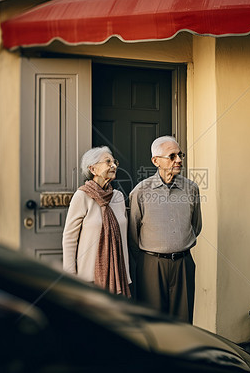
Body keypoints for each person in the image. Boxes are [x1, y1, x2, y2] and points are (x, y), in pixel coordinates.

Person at [129, 136, 202, 322]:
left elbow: (196, 225)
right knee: (153, 324)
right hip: (151, 266)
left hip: (184, 264)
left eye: (180, 155)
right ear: (156, 161)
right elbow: (132, 235)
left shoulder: (191, 189)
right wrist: (150, 260)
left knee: (184, 323)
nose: (178, 160)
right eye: (172, 156)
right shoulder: (141, 191)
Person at [62, 146, 131, 297]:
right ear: (93, 169)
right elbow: (69, 238)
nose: (113, 166)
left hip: (119, 274)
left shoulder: (118, 197)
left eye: (114, 162)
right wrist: (71, 275)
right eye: (108, 162)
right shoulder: (82, 196)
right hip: (88, 276)